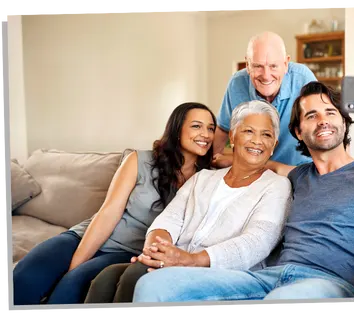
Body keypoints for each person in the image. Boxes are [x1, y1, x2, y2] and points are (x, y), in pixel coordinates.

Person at [132, 72, 354, 302]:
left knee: (282, 303)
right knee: (154, 286)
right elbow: (258, 160)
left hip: (335, 286)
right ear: (297, 130)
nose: (322, 120)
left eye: (330, 112)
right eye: (311, 115)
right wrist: (221, 157)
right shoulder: (297, 176)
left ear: (344, 123)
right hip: (268, 279)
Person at [83, 100, 292, 304]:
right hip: (178, 262)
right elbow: (168, 220)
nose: (257, 141)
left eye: (266, 135)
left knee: (135, 275)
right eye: (248, 131)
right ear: (233, 137)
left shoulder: (277, 186)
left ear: (273, 145)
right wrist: (157, 252)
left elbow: (256, 243)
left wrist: (189, 260)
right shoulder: (204, 178)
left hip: (225, 273)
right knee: (106, 278)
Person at [12, 102, 217, 305]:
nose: (206, 134)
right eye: (196, 126)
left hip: (126, 252)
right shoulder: (139, 160)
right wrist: (75, 264)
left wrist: (71, 275)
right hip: (84, 236)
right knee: (23, 278)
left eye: (211, 128)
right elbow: (108, 213)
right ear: (176, 129)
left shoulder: (207, 180)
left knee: (68, 290)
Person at [211, 31, 317, 174]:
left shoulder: (303, 79)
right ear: (248, 65)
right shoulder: (237, 83)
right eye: (258, 66)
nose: (266, 76)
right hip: (252, 171)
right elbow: (223, 129)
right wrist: (209, 168)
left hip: (297, 170)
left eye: (273, 66)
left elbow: (323, 126)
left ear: (286, 64)